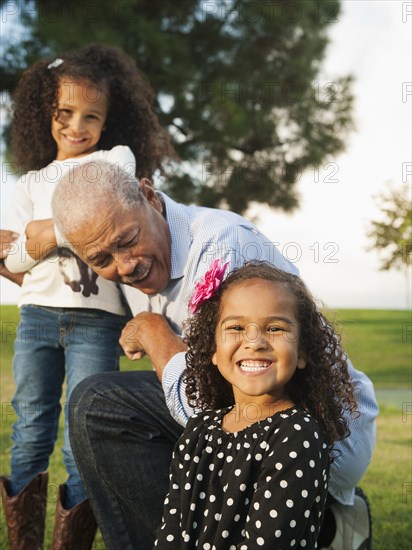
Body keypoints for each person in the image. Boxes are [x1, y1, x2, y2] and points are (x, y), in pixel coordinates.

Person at [51, 160, 378, 550]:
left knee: (99, 404)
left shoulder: (220, 245)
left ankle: (325, 521)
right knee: (105, 412)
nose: (124, 265)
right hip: (250, 420)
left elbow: (221, 402)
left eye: (127, 241)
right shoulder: (128, 244)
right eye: (101, 259)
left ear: (150, 197)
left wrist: (156, 335)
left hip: (322, 432)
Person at [0, 43, 174, 549]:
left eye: (91, 116)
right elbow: (11, 261)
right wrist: (30, 243)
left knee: (82, 435)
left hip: (96, 322)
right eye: (65, 113)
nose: (77, 126)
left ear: (106, 121)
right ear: (44, 114)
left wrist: (45, 234)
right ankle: (25, 541)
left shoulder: (113, 159)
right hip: (35, 318)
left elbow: (26, 246)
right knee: (31, 423)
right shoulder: (27, 183)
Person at [154, 261, 357, 549]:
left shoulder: (297, 434)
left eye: (274, 328)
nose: (254, 341)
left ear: (301, 353)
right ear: (213, 349)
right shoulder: (199, 430)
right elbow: (171, 532)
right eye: (236, 327)